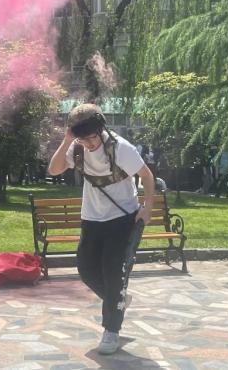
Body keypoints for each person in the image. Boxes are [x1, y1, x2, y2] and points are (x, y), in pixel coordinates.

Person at [48, 103, 155, 355]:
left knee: (113, 273)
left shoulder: (121, 148)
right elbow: (54, 169)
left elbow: (147, 175)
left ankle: (111, 330)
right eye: (82, 139)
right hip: (91, 218)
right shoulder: (77, 147)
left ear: (101, 130)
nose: (89, 144)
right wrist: (68, 140)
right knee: (86, 269)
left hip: (122, 218)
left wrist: (148, 207)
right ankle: (117, 299)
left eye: (92, 138)